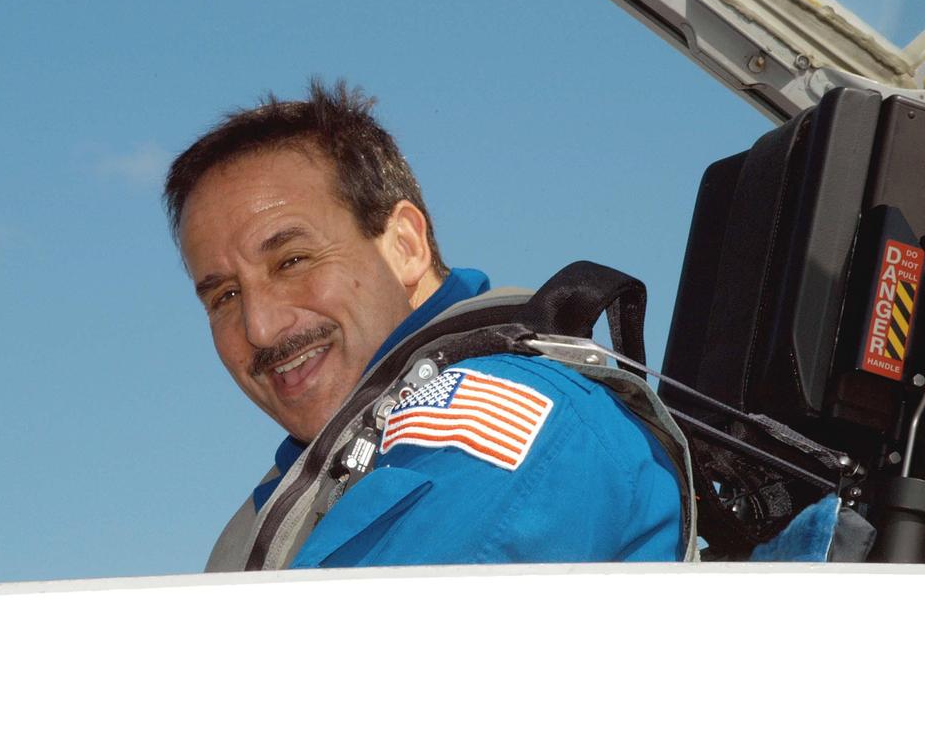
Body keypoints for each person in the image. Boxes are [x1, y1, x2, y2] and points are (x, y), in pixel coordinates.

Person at [165, 80, 684, 569]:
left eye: (293, 261)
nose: (259, 326)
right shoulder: (302, 483)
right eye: (225, 295)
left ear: (405, 247)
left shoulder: (499, 419)